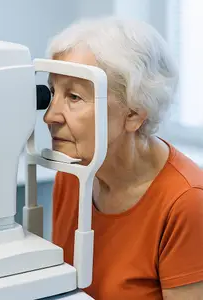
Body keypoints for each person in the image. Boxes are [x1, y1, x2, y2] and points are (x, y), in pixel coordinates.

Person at [43, 16, 203, 300]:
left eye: (74, 97)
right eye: (53, 92)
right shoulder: (71, 176)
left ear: (134, 114)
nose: (50, 116)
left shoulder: (188, 204)